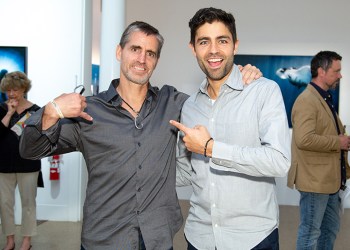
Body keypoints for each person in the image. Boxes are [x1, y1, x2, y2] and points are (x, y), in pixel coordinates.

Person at [19, 21, 261, 250]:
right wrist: (51, 111)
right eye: (135, 49)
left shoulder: (172, 102)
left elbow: (214, 103)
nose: (142, 59)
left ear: (156, 60)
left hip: (157, 237)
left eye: (151, 53)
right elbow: (29, 150)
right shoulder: (88, 111)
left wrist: (238, 74)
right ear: (119, 52)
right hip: (104, 238)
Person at [170, 7, 291, 249]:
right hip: (199, 236)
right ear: (193, 48)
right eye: (204, 41)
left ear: (235, 45)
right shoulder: (189, 106)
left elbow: (279, 160)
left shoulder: (263, 91)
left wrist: (211, 148)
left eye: (222, 40)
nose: (213, 50)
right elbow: (186, 173)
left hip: (253, 238)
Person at [287, 51, 350, 249]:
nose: (340, 75)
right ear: (321, 72)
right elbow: (304, 139)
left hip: (330, 181)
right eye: (337, 71)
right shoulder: (307, 100)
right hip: (315, 182)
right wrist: (337, 142)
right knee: (310, 232)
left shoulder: (323, 98)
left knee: (329, 231)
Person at [0, 71, 42, 250]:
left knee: (28, 203)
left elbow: (40, 137)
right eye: (8, 90)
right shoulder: (1, 109)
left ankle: (27, 240)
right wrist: (9, 113)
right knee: (5, 203)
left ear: (24, 89)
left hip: (28, 163)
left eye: (15, 89)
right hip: (3, 163)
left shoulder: (36, 111)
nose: (11, 94)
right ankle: (10, 239)